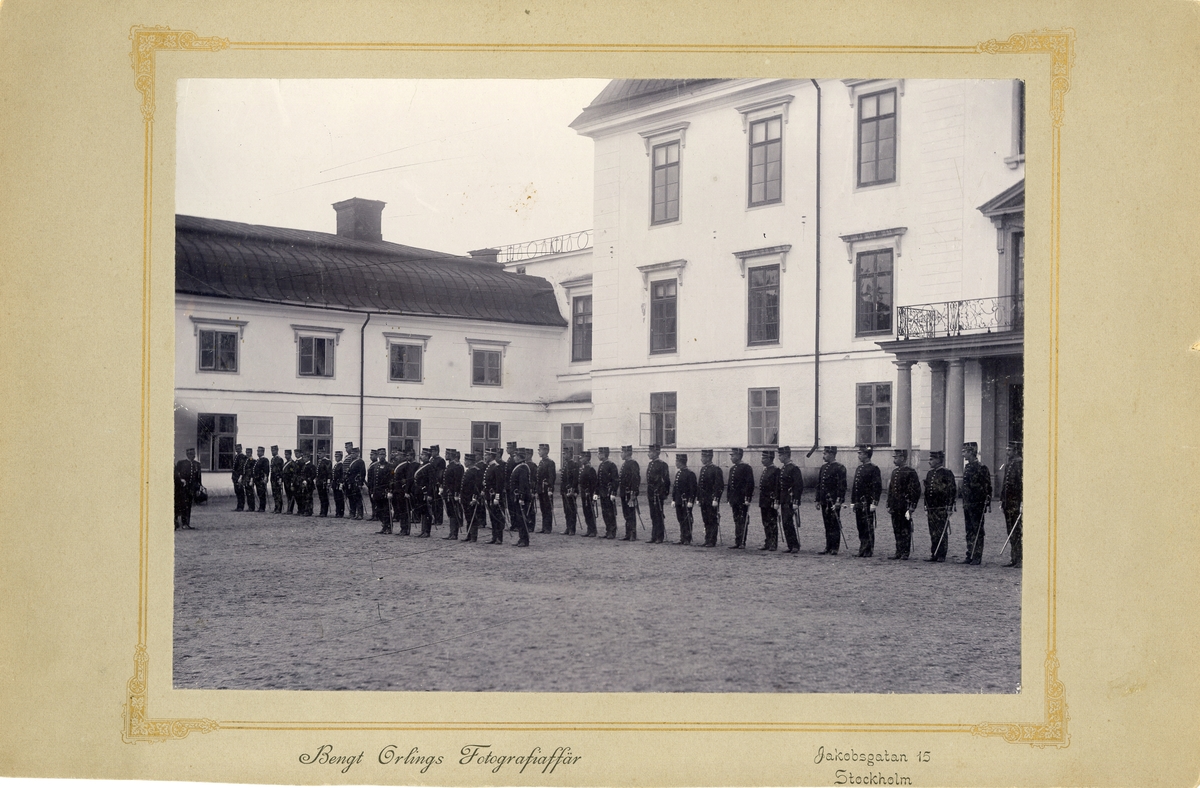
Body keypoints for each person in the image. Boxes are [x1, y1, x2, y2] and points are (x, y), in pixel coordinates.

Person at [885, 449, 922, 560]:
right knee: (896, 528)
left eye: (896, 458)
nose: (894, 460)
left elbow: (915, 490)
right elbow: (891, 490)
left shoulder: (910, 472)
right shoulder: (894, 472)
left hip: (905, 505)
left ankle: (905, 551)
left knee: (905, 528)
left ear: (903, 458)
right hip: (895, 505)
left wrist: (912, 505)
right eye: (894, 457)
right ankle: (898, 550)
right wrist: (889, 503)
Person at [960, 441, 992, 565]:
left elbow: (987, 486)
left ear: (971, 452)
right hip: (967, 503)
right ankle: (970, 554)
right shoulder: (967, 467)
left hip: (977, 504)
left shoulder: (981, 467)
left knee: (977, 529)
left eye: (965, 452)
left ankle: (977, 555)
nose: (963, 454)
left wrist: (986, 502)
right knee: (969, 529)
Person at [923, 450, 957, 562]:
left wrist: (950, 506)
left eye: (931, 459)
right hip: (931, 507)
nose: (929, 461)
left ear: (938, 460)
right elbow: (927, 491)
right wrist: (925, 505)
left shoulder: (946, 473)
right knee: (932, 531)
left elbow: (952, 490)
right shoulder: (930, 473)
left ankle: (942, 554)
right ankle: (934, 553)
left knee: (941, 530)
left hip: (942, 507)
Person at [850, 445, 883, 557]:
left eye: (861, 453)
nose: (859, 455)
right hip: (859, 502)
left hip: (868, 502)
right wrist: (853, 501)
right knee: (860, 526)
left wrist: (874, 502)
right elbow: (855, 486)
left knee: (868, 526)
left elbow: (876, 487)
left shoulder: (874, 468)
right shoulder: (859, 468)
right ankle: (862, 547)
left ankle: (868, 549)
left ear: (867, 455)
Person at [815, 446, 847, 555]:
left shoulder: (839, 467)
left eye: (825, 453)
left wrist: (839, 500)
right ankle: (828, 546)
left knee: (834, 524)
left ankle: (834, 547)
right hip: (825, 500)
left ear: (832, 454)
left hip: (833, 501)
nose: (823, 456)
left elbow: (842, 486)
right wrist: (818, 499)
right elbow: (819, 485)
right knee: (827, 524)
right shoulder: (823, 468)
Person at [725, 447, 754, 549]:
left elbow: (749, 484)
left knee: (743, 519)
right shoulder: (732, 469)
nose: (731, 458)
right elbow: (729, 485)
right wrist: (729, 498)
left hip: (742, 499)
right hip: (735, 499)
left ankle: (742, 542)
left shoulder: (746, 468)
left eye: (733, 455)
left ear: (738, 456)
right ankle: (737, 541)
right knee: (736, 519)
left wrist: (747, 498)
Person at [1000, 440, 1023, 568]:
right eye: (1007, 449)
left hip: (1016, 502)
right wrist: (1002, 499)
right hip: (1008, 503)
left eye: (1009, 450)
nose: (1007, 452)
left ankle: (1019, 558)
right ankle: (1014, 558)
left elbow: (1022, 485)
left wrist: (1022, 502)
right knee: (1010, 529)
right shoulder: (1009, 465)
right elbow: (1005, 483)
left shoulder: (1020, 464)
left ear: (1015, 451)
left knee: (1017, 530)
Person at [777, 446, 802, 553]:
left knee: (789, 522)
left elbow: (798, 486)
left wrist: (796, 501)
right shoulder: (783, 468)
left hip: (790, 499)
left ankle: (795, 545)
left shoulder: (794, 468)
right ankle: (790, 545)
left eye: (780, 455)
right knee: (785, 522)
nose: (779, 457)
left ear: (786, 455)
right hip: (784, 499)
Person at [697, 449, 724, 547]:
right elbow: (700, 486)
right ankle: (707, 539)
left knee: (712, 519)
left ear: (709, 457)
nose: (701, 459)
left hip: (711, 499)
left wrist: (716, 499)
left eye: (703, 457)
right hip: (704, 499)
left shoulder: (716, 469)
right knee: (706, 519)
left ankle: (712, 540)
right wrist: (698, 498)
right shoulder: (703, 469)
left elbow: (719, 486)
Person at [645, 444, 671, 544]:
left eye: (650, 452)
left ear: (656, 453)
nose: (649, 454)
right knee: (653, 514)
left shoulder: (662, 464)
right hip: (651, 492)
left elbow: (666, 480)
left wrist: (664, 492)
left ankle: (659, 536)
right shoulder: (650, 464)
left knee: (658, 514)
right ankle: (653, 536)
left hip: (658, 492)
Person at [671, 453, 697, 545]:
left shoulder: (690, 474)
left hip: (686, 501)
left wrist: (691, 501)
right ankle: (682, 537)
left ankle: (687, 538)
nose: (676, 463)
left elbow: (693, 489)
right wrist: (673, 499)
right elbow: (675, 488)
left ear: (681, 462)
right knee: (680, 519)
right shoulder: (679, 473)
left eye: (677, 461)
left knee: (687, 519)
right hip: (678, 500)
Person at [508, 447, 532, 546]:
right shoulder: (519, 466)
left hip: (521, 497)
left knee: (522, 518)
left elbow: (523, 484)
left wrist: (521, 497)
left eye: (515, 456)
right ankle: (521, 538)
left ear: (519, 457)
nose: (514, 458)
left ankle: (524, 540)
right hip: (517, 496)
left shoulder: (523, 467)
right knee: (519, 518)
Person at [483, 447, 508, 544]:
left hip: (495, 496)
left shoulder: (496, 467)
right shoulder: (489, 467)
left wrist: (497, 497)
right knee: (492, 516)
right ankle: (494, 537)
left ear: (491, 456)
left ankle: (499, 538)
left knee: (498, 517)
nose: (485, 457)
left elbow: (499, 484)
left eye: (486, 455)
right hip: (490, 495)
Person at [757, 450, 780, 551]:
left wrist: (776, 500)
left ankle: (773, 543)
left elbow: (777, 487)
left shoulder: (775, 470)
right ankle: (767, 542)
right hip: (764, 500)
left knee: (772, 522)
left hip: (770, 500)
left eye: (764, 458)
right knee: (765, 522)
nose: (762, 460)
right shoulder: (766, 470)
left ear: (770, 459)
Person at [459, 452, 485, 542]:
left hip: (471, 498)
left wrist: (474, 498)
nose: (465, 462)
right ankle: (469, 534)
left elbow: (477, 487)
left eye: (466, 460)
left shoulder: (476, 471)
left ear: (470, 461)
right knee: (468, 516)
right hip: (465, 497)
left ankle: (473, 536)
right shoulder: (469, 470)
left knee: (473, 517)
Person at [618, 445, 641, 541]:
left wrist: (633, 493)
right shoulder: (626, 463)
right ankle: (628, 533)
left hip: (629, 493)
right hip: (624, 492)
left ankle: (632, 534)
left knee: (631, 514)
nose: (621, 454)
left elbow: (636, 479)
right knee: (626, 514)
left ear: (627, 453)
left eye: (622, 452)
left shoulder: (633, 463)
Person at [174, 448, 202, 529]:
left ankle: (186, 523)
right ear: (187, 454)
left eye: (193, 454)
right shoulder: (181, 463)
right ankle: (179, 523)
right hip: (182, 488)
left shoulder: (197, 464)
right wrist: (181, 479)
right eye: (190, 454)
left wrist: (198, 487)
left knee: (189, 505)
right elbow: (176, 473)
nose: (192, 456)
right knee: (181, 504)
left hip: (192, 488)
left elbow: (198, 477)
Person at [596, 447, 620, 539]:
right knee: (605, 512)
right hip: (603, 493)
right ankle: (608, 530)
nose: (598, 455)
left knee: (610, 513)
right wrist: (597, 492)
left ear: (604, 454)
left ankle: (612, 532)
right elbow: (599, 481)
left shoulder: (611, 465)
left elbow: (615, 480)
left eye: (599, 453)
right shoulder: (601, 465)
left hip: (609, 493)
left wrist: (613, 492)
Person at [413, 447, 436, 537]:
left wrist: (429, 494)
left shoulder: (429, 467)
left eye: (423, 455)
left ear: (427, 456)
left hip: (425, 492)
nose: (421, 456)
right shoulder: (422, 465)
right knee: (422, 511)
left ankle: (427, 531)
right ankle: (423, 530)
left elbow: (431, 482)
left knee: (427, 512)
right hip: (419, 492)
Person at [442, 448, 464, 540]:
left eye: (447, 454)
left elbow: (457, 482)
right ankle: (451, 533)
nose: (445, 455)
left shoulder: (457, 466)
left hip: (452, 493)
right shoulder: (450, 465)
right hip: (448, 493)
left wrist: (456, 494)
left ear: (451, 455)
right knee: (451, 512)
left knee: (455, 512)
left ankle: (454, 534)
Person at [371, 447, 394, 535]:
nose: (382, 456)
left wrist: (390, 491)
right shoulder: (375, 466)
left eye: (383, 454)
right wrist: (372, 492)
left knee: (386, 510)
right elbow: (374, 480)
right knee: (378, 510)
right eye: (380, 454)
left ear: (385, 455)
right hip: (377, 492)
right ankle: (383, 525)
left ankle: (388, 527)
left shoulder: (390, 466)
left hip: (385, 491)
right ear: (378, 455)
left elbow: (392, 479)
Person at [536, 443, 557, 533]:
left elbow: (552, 477)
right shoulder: (541, 462)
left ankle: (548, 528)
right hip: (541, 489)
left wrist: (550, 489)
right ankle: (544, 527)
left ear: (546, 451)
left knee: (548, 508)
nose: (539, 452)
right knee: (543, 508)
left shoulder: (550, 462)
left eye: (540, 450)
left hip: (547, 489)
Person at [577, 450, 598, 537]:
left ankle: (593, 530)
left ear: (587, 458)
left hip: (589, 494)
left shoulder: (590, 469)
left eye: (582, 457)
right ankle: (589, 529)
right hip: (584, 494)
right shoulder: (583, 468)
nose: (580, 459)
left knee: (590, 512)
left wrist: (594, 497)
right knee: (586, 512)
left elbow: (595, 484)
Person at [560, 447, 579, 535]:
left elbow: (575, 479)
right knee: (566, 510)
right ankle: (568, 527)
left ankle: (572, 529)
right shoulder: (566, 464)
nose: (563, 455)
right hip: (564, 490)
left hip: (570, 491)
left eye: (565, 453)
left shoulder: (573, 464)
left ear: (569, 454)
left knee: (571, 510)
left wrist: (573, 489)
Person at [346, 446, 366, 520]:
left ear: (358, 453)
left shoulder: (360, 461)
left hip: (356, 483)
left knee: (358, 498)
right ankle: (353, 513)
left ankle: (360, 514)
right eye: (351, 453)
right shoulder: (352, 461)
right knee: (351, 498)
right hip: (351, 482)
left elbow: (362, 473)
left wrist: (360, 483)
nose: (352, 454)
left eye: (354, 453)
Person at [504, 442, 520, 532]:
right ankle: (513, 524)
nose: (507, 449)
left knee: (514, 506)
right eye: (507, 448)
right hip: (508, 487)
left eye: (509, 448)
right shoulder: (510, 458)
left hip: (513, 487)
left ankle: (516, 525)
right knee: (510, 506)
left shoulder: (514, 459)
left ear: (514, 449)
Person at [429, 445, 447, 526]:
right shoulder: (432, 460)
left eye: (433, 451)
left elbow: (441, 473)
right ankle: (434, 517)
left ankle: (439, 519)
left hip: (437, 483)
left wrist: (439, 483)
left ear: (437, 451)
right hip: (431, 482)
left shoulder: (441, 460)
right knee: (433, 502)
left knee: (438, 502)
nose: (431, 453)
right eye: (431, 451)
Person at [253, 446, 270, 513]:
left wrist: (265, 478)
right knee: (259, 493)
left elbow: (266, 470)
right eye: (257, 451)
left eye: (259, 451)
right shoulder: (258, 460)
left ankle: (262, 507)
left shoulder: (265, 460)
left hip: (261, 479)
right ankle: (260, 506)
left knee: (262, 493)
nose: (258, 452)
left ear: (263, 452)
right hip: (257, 479)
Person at [315, 450, 332, 517]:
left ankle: (324, 512)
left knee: (324, 497)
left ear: (324, 453)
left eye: (320, 453)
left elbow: (329, 473)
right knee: (321, 497)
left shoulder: (327, 461)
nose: (319, 455)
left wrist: (328, 482)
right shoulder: (320, 461)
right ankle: (321, 511)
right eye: (318, 453)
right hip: (319, 482)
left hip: (324, 482)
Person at [231, 443, 247, 511]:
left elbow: (242, 468)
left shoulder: (242, 456)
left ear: (241, 448)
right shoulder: (236, 456)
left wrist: (240, 477)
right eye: (236, 448)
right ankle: (238, 506)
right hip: (235, 476)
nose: (237, 449)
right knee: (237, 491)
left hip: (239, 477)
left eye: (238, 448)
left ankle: (241, 506)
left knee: (240, 491)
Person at [269, 445, 284, 513]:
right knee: (274, 493)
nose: (272, 452)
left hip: (277, 478)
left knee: (278, 493)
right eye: (272, 450)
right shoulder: (272, 459)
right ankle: (276, 507)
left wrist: (280, 479)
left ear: (277, 450)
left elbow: (281, 470)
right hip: (273, 478)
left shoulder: (280, 459)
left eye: (274, 450)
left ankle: (279, 508)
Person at [241, 447, 257, 512]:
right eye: (246, 452)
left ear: (251, 453)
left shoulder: (253, 461)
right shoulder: (246, 460)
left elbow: (253, 471)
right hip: (246, 479)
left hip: (250, 479)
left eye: (249, 452)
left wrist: (252, 479)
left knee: (250, 493)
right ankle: (249, 506)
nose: (247, 454)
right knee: (247, 493)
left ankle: (252, 507)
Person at [282, 449, 297, 515]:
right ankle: (288, 509)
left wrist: (292, 482)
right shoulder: (286, 463)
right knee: (288, 496)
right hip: (286, 481)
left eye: (287, 454)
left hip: (290, 482)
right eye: (285, 454)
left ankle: (290, 510)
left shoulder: (292, 463)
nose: (286, 456)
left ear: (290, 455)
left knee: (291, 496)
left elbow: (293, 474)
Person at [366, 449, 380, 520]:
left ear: (377, 456)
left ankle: (376, 515)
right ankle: (373, 514)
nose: (371, 456)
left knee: (375, 501)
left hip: (374, 485)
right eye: (370, 455)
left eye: (372, 455)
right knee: (372, 501)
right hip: (370, 485)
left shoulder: (376, 464)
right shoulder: (371, 464)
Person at [331, 450, 346, 518]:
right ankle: (337, 512)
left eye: (337, 456)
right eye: (335, 456)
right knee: (336, 499)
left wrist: (341, 483)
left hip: (339, 484)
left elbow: (343, 475)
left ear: (341, 457)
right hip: (335, 484)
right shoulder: (336, 465)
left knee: (340, 499)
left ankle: (341, 513)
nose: (336, 458)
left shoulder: (341, 465)